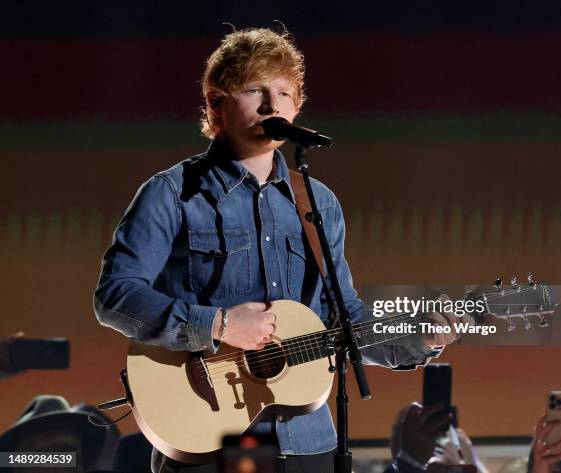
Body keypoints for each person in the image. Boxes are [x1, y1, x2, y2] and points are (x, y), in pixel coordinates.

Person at [94, 26, 459, 473]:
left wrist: (418, 340)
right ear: (216, 103)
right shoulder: (172, 194)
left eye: (283, 93)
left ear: (296, 106)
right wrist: (220, 324)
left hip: (306, 441)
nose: (271, 105)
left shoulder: (317, 202)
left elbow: (344, 319)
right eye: (254, 90)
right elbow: (115, 296)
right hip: (209, 436)